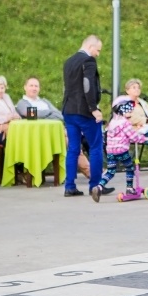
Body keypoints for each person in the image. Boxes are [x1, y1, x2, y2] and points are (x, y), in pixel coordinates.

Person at [15, 76, 93, 181]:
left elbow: (60, 115)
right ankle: (91, 172)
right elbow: (29, 114)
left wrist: (41, 113)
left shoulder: (44, 101)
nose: (34, 88)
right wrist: (48, 112)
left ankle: (91, 172)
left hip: (55, 133)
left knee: (72, 141)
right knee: (71, 142)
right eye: (31, 86)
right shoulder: (22, 103)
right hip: (38, 136)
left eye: (36, 86)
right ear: (25, 87)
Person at [62, 35, 104, 197]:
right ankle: (96, 185)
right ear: (91, 46)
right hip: (84, 111)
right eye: (97, 50)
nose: (98, 54)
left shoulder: (69, 61)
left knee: (73, 148)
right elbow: (88, 85)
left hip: (69, 110)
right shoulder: (88, 61)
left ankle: (70, 186)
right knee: (95, 147)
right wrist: (93, 108)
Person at [91, 98, 148, 202]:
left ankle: (99, 187)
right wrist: (144, 139)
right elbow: (133, 136)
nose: (131, 113)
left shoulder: (112, 122)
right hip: (121, 151)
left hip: (110, 151)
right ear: (123, 110)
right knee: (130, 168)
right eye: (130, 111)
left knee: (110, 171)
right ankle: (129, 189)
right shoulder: (125, 123)